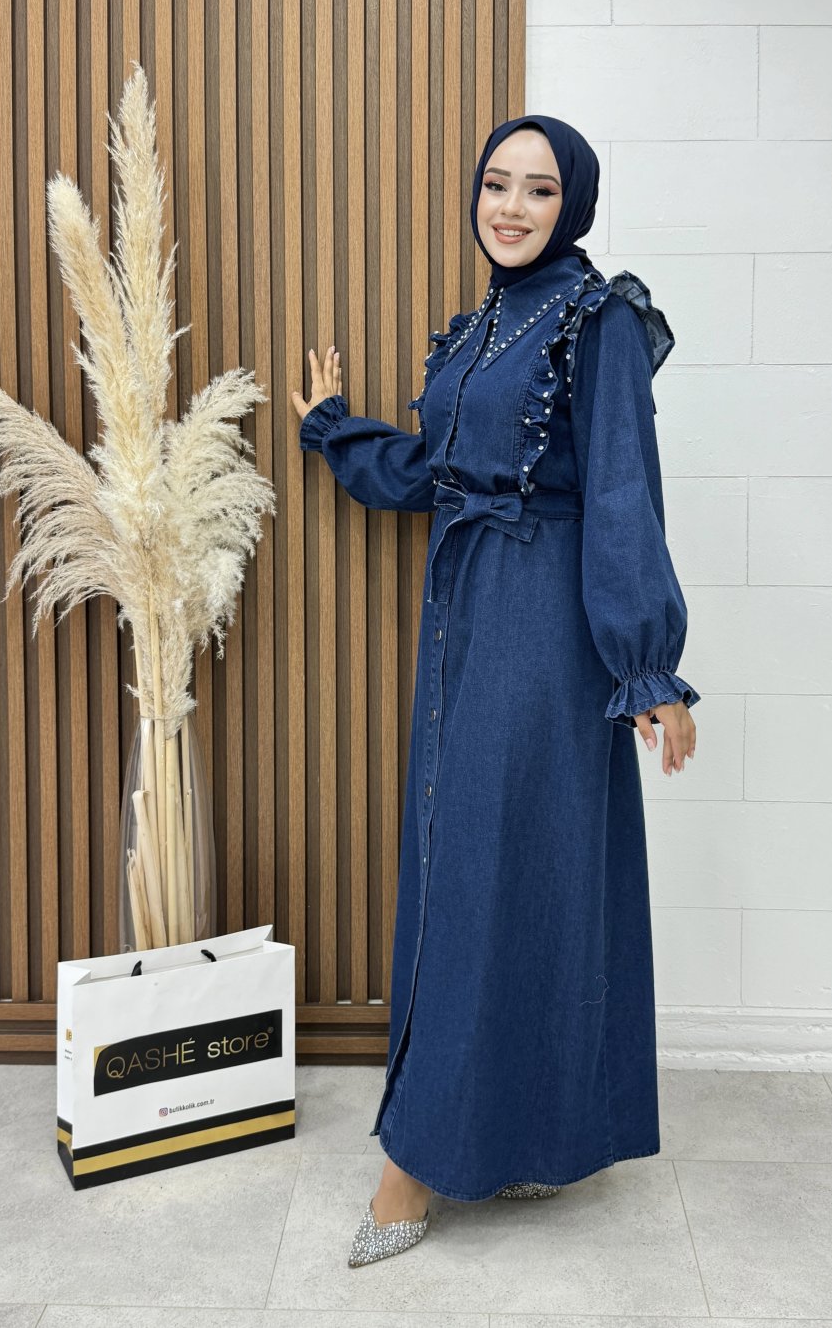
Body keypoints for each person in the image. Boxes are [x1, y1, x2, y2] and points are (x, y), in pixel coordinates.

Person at [290, 113, 700, 1269]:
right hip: (463, 625)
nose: (510, 207)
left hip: (545, 637)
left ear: (574, 205)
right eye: (495, 184)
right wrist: (333, 430)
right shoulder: (479, 330)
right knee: (480, 873)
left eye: (537, 189)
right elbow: (436, 474)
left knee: (492, 878)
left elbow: (618, 487)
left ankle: (410, 1166)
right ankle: (506, 1131)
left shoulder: (597, 317)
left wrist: (646, 664)